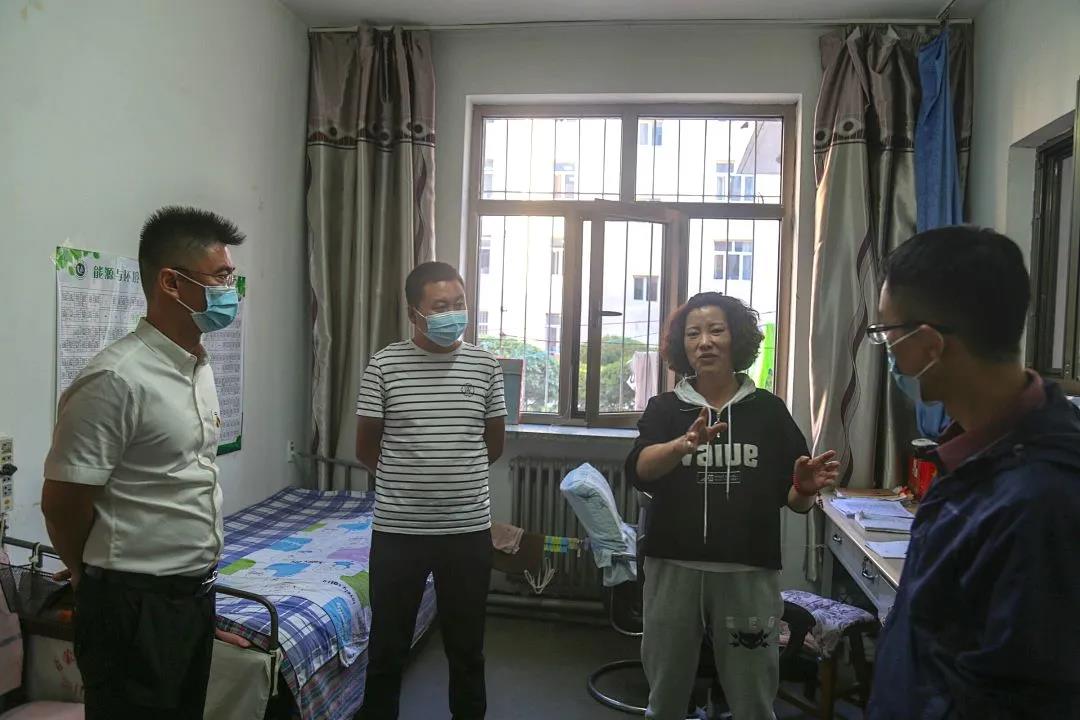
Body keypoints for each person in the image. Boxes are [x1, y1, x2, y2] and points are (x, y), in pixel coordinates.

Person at [866, 226, 1080, 718]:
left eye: (887, 335)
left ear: (929, 345)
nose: (888, 350)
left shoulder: (1040, 502)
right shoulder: (978, 454)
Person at [41, 206, 245, 719]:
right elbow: (63, 503)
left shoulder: (198, 366)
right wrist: (91, 580)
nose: (232, 290)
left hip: (191, 597)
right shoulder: (116, 379)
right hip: (130, 606)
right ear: (171, 283)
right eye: (221, 277)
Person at [625, 292, 838, 720]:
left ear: (735, 338)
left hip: (748, 572)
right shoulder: (666, 408)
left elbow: (794, 501)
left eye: (716, 331)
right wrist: (683, 445)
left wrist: (804, 488)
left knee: (753, 700)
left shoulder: (768, 411)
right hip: (673, 567)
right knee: (665, 698)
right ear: (682, 346)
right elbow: (639, 470)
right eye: (693, 334)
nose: (704, 342)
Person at [356, 261, 506, 720]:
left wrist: (450, 477)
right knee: (387, 649)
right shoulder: (385, 365)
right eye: (440, 306)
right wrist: (411, 482)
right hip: (399, 532)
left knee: (467, 649)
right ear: (413, 313)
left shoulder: (485, 366)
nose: (453, 313)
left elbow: (493, 444)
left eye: (459, 303)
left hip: (467, 532)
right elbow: (366, 447)